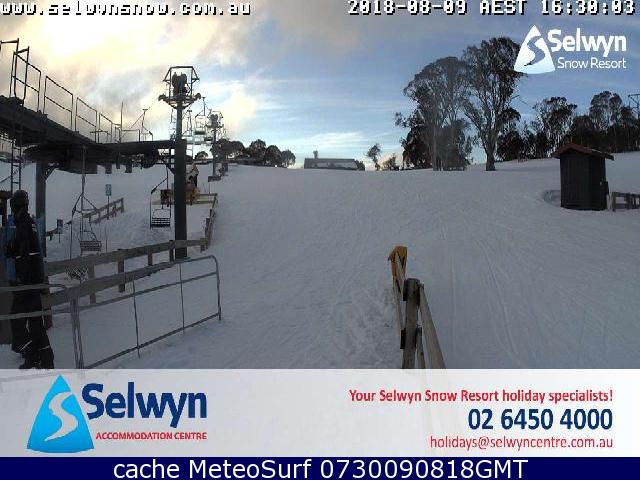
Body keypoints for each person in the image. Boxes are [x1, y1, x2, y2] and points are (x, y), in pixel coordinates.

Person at [5, 190, 54, 369]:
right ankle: (45, 358)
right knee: (34, 321)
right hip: (31, 281)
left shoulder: (24, 225)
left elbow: (25, 254)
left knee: (16, 320)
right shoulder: (28, 223)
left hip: (25, 282)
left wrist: (21, 277)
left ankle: (32, 353)